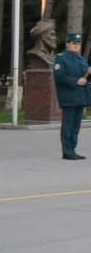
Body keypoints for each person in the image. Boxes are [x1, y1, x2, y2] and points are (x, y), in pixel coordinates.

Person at [54, 31, 90, 160]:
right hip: (68, 97)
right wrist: (76, 81)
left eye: (78, 44)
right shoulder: (61, 58)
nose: (76, 46)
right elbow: (59, 77)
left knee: (76, 126)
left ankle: (73, 149)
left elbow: (86, 78)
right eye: (74, 43)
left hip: (81, 97)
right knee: (68, 125)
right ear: (67, 44)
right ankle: (67, 151)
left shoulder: (81, 59)